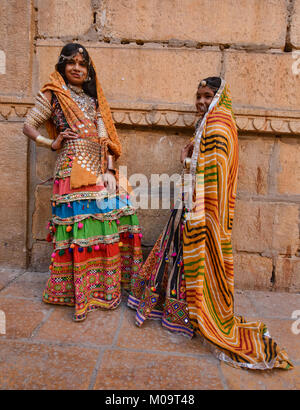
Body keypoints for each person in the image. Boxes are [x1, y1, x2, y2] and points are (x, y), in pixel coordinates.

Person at [128, 77, 293, 370]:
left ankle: (193, 315)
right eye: (198, 96)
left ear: (218, 97)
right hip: (194, 205)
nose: (201, 101)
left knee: (191, 261)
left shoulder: (217, 125)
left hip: (202, 210)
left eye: (207, 95)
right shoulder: (212, 123)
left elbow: (211, 172)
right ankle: (181, 314)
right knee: (180, 259)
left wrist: (188, 163)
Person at [23, 43, 143, 321]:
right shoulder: (54, 95)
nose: (77, 68)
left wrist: (111, 171)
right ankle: (75, 292)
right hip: (72, 169)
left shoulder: (93, 100)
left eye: (82, 63)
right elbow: (28, 124)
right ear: (62, 66)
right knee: (80, 233)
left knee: (110, 224)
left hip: (100, 168)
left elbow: (105, 140)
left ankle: (104, 289)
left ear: (88, 70)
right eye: (71, 62)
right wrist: (51, 143)